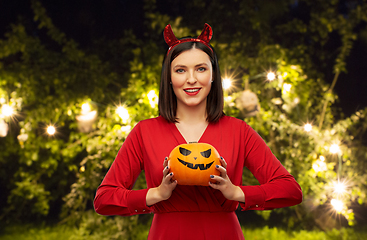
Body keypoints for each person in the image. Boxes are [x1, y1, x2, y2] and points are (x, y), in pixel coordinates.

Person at [94, 23, 303, 240]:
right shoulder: (144, 132)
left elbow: (290, 190)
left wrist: (236, 192)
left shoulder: (239, 131)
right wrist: (157, 193)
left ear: (213, 75)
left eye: (201, 69)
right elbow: (104, 198)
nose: (191, 79)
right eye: (180, 70)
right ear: (169, 77)